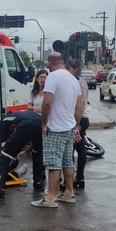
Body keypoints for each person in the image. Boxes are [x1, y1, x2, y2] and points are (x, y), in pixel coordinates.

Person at [31, 52, 83, 208]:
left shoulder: (52, 77)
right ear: (63, 62)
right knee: (67, 161)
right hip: (68, 127)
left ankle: (51, 197)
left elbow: (47, 103)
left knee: (53, 163)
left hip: (56, 127)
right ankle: (69, 193)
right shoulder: (73, 80)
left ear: (49, 63)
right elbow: (79, 106)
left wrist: (44, 124)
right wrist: (76, 126)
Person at [0, 111, 44, 198]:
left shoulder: (4, 121)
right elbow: (34, 144)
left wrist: (10, 157)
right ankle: (38, 182)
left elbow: (4, 148)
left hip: (27, 124)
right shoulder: (22, 115)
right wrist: (25, 152)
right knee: (37, 153)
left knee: (2, 157)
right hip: (41, 123)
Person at [65, 58, 89, 189]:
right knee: (80, 148)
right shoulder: (82, 81)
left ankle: (71, 180)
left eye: (68, 68)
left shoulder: (75, 83)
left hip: (77, 119)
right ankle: (79, 177)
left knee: (71, 150)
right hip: (82, 118)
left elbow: (78, 106)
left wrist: (76, 125)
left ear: (73, 69)